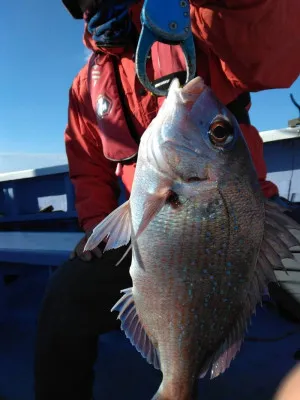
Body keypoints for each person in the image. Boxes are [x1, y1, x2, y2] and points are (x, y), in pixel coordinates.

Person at [34, 1, 300, 399]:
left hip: (253, 217)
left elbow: (275, 54)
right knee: (63, 301)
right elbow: (88, 167)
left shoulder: (192, 19)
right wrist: (95, 227)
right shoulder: (85, 86)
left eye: (217, 132)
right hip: (148, 226)